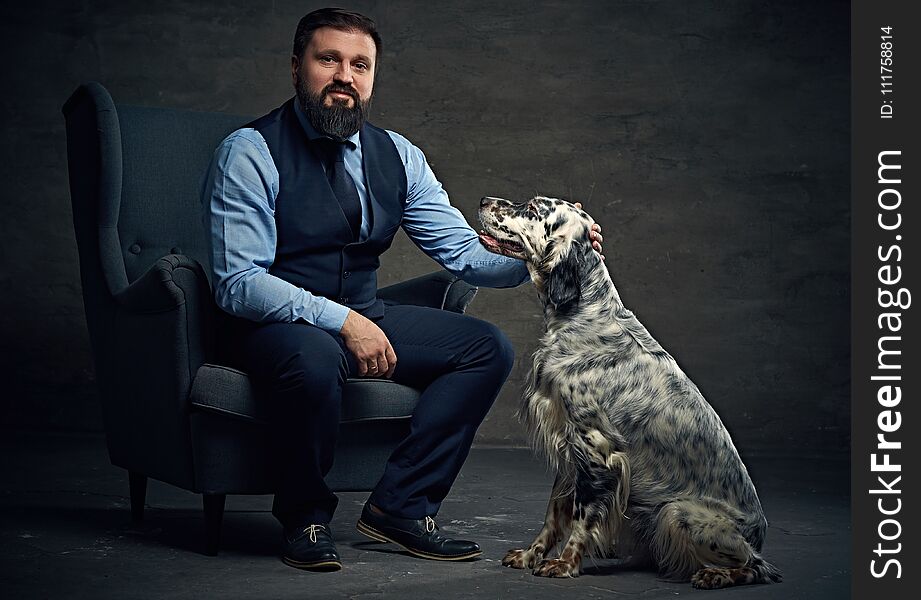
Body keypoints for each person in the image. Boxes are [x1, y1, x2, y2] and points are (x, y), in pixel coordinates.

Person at [201, 7, 602, 572]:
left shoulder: (398, 155)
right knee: (315, 360)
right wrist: (344, 323)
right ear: (297, 69)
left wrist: (552, 248)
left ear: (371, 79)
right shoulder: (249, 152)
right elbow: (238, 283)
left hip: (363, 312)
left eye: (359, 65)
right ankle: (305, 517)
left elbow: (464, 252)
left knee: (486, 349)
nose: (345, 75)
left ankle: (400, 507)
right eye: (328, 60)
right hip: (273, 326)